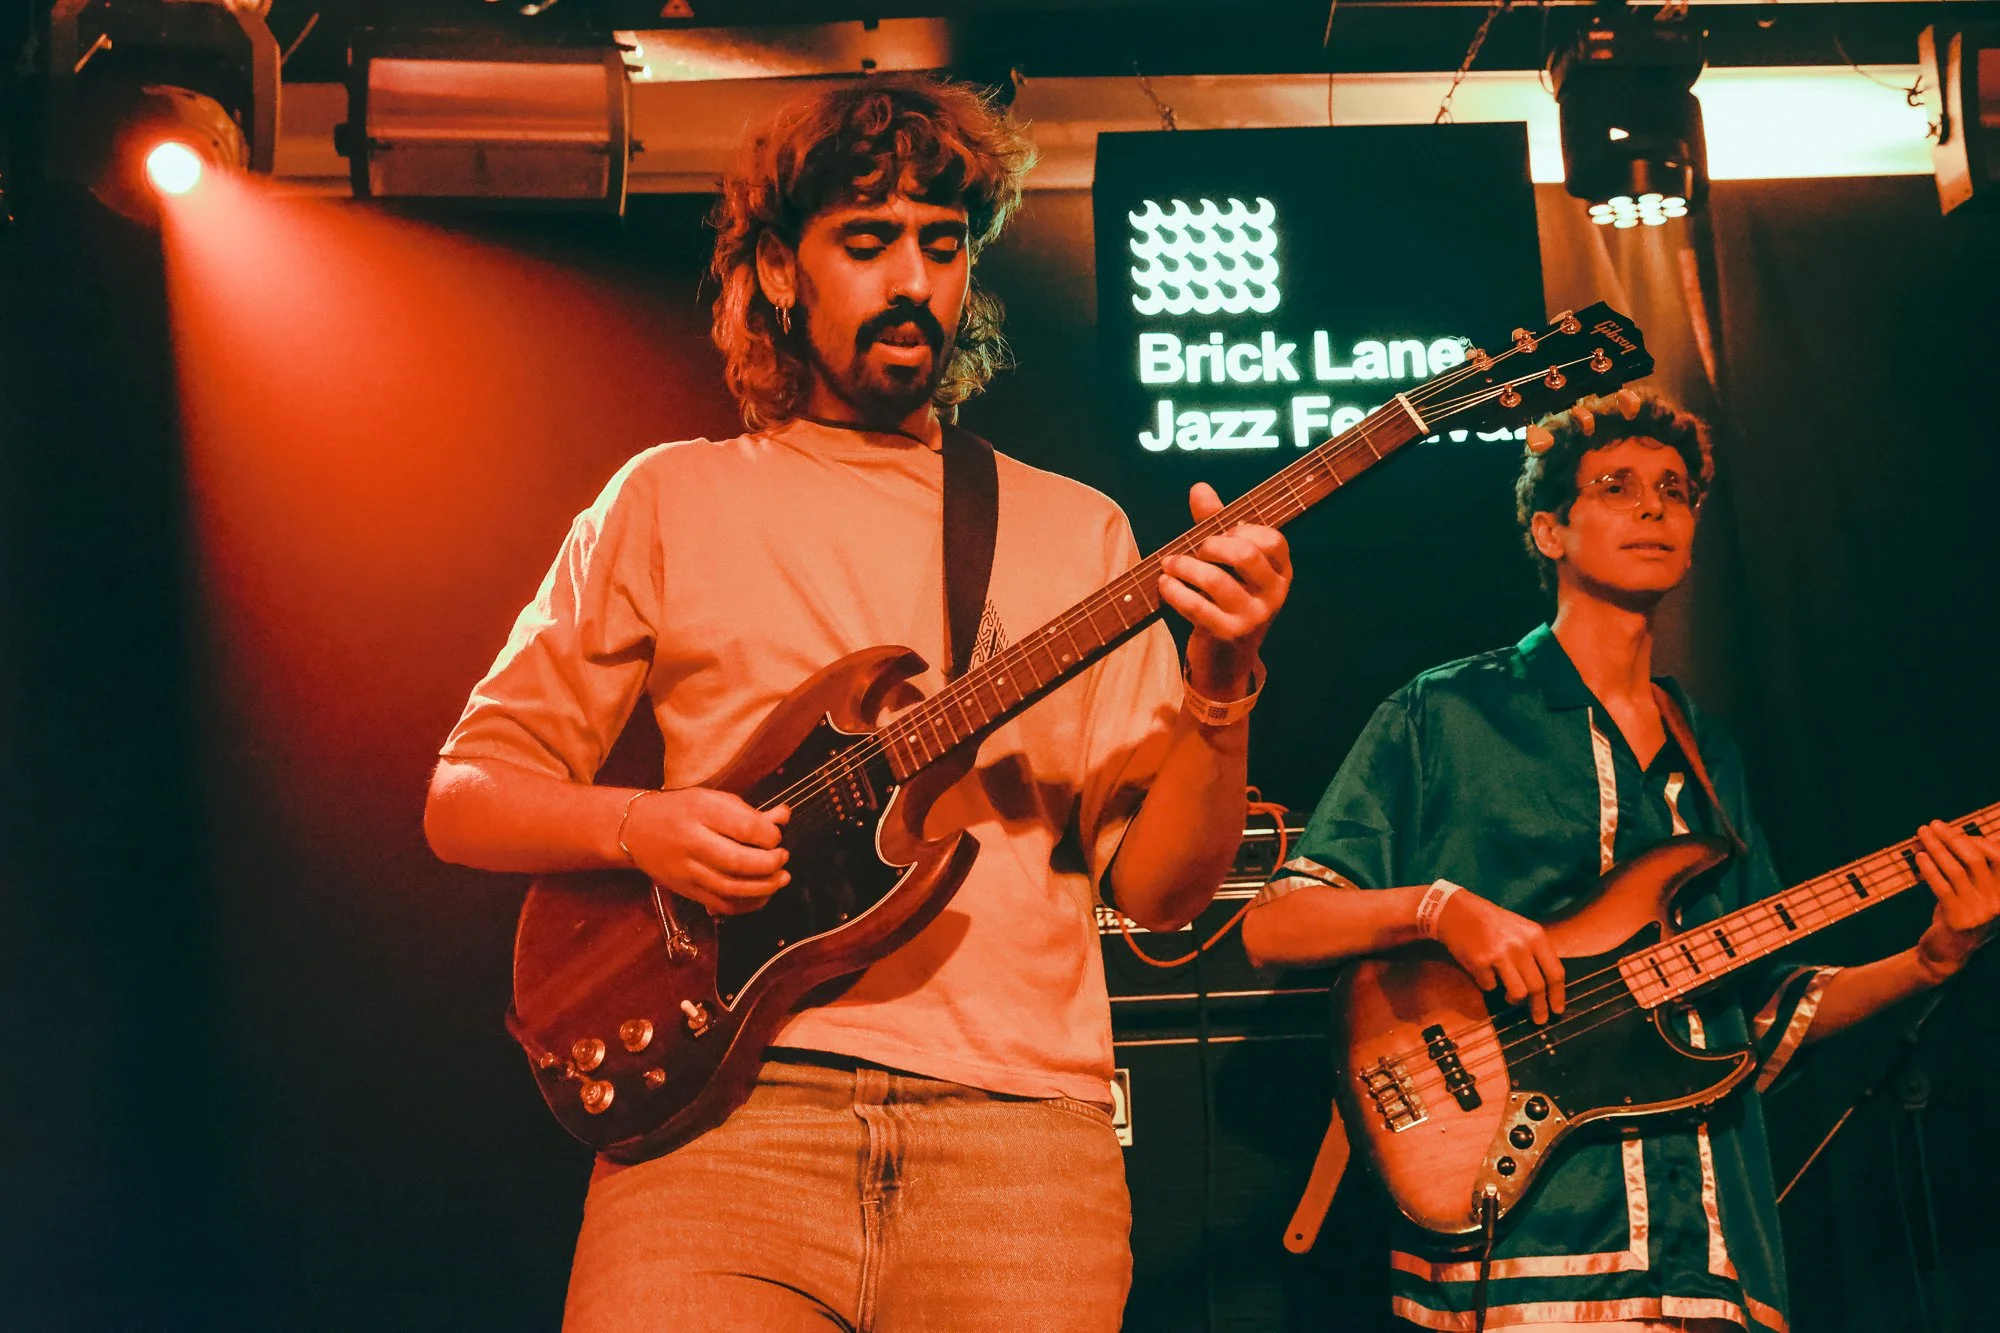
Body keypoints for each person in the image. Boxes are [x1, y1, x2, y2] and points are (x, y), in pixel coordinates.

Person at [423, 76, 1293, 1333]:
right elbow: (465, 801)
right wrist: (641, 828)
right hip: (723, 1129)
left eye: (942, 248)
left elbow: (1157, 894)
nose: (913, 281)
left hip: (1019, 1149)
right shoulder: (669, 498)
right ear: (780, 269)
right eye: (868, 240)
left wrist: (1221, 685)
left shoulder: (1077, 527)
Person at [1241, 389, 1998, 1333]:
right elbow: (1275, 923)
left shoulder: (1709, 757)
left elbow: (1758, 1016)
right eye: (1618, 486)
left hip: (1713, 1258)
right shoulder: (1447, 713)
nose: (1653, 507)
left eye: (1674, 492)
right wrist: (1440, 908)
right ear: (1549, 530)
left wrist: (1931, 960)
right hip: (1523, 1253)